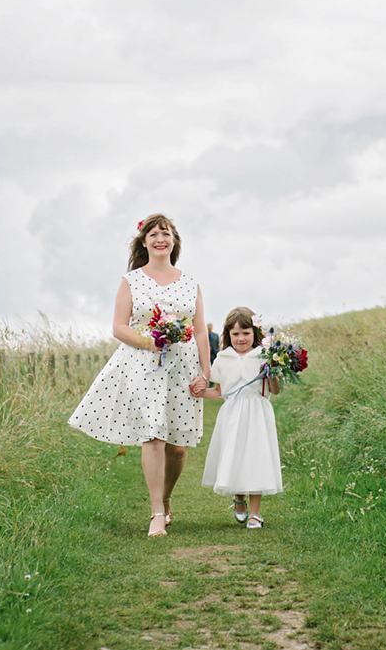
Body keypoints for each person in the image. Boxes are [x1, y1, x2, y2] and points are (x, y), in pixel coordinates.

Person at [68, 214, 211, 537]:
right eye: (154, 234)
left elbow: (200, 331)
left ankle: (167, 496)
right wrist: (151, 342)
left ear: (174, 241)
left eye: (166, 233)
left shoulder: (191, 283)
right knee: (154, 436)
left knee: (178, 447)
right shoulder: (131, 280)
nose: (160, 238)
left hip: (183, 367)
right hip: (144, 366)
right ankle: (156, 512)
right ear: (144, 242)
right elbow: (119, 327)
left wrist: (206, 373)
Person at [189, 306, 282, 528]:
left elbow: (275, 391)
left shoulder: (265, 356)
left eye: (246, 333)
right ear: (228, 335)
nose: (241, 338)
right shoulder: (223, 358)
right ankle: (239, 497)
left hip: (258, 413)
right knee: (237, 455)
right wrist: (200, 392)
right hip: (232, 414)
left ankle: (255, 513)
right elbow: (220, 392)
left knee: (256, 458)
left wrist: (274, 373)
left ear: (255, 333)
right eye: (236, 334)